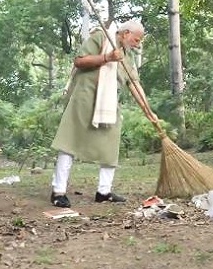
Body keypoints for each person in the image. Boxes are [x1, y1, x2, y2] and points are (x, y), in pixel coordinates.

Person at [50, 20, 148, 208]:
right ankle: (58, 191)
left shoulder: (127, 56)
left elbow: (134, 84)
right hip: (84, 97)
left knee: (111, 144)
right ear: (126, 33)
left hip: (108, 104)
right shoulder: (101, 37)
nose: (138, 44)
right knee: (70, 141)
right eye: (136, 40)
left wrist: (148, 111)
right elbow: (79, 61)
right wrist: (107, 58)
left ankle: (104, 192)